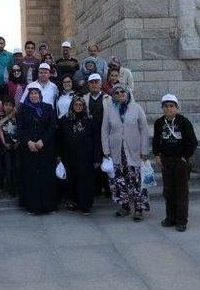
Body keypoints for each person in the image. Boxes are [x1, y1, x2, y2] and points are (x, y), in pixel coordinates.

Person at [101, 83, 150, 221]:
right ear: (113, 96)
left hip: (134, 151)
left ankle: (139, 208)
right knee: (120, 180)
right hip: (117, 151)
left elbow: (144, 130)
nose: (120, 94)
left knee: (136, 180)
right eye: (116, 93)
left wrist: (144, 150)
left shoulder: (136, 108)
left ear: (127, 93)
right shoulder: (109, 109)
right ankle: (125, 206)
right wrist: (106, 150)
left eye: (123, 91)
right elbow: (105, 130)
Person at [152, 94, 198, 232]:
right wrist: (157, 154)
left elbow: (192, 142)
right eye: (166, 106)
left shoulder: (184, 122)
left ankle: (181, 220)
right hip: (166, 160)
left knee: (181, 191)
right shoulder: (159, 123)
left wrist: (185, 156)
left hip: (180, 161)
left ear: (176, 108)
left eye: (171, 106)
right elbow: (156, 140)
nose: (169, 109)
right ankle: (170, 217)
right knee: (168, 190)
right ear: (162, 108)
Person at [17, 82, 58, 214]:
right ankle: (33, 206)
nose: (34, 95)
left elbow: (52, 126)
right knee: (32, 177)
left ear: (40, 94)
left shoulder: (47, 107)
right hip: (29, 148)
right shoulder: (23, 109)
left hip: (45, 147)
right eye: (31, 93)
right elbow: (20, 129)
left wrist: (42, 141)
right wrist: (28, 142)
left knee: (46, 177)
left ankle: (48, 205)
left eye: (36, 93)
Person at [58, 96, 96, 215]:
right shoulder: (65, 119)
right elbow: (59, 138)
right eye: (76, 105)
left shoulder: (89, 119)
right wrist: (59, 155)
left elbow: (95, 139)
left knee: (85, 181)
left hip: (86, 157)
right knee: (72, 179)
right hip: (69, 156)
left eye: (81, 105)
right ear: (72, 106)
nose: (78, 107)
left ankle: (85, 205)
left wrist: (96, 157)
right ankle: (73, 202)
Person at [83, 73, 110, 199]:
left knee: (106, 160)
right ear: (88, 84)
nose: (94, 84)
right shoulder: (84, 98)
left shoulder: (108, 98)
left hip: (105, 134)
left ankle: (108, 188)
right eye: (92, 82)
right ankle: (96, 189)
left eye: (96, 82)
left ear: (101, 84)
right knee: (93, 161)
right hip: (90, 136)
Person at [0, 97, 18, 196]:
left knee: (16, 167)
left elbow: (20, 129)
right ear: (3, 106)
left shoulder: (18, 116)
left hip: (16, 145)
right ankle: (10, 189)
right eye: (6, 105)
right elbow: (0, 130)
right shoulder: (1, 116)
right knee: (8, 167)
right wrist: (3, 142)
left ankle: (15, 188)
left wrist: (18, 142)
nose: (8, 107)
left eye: (10, 105)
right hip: (6, 145)